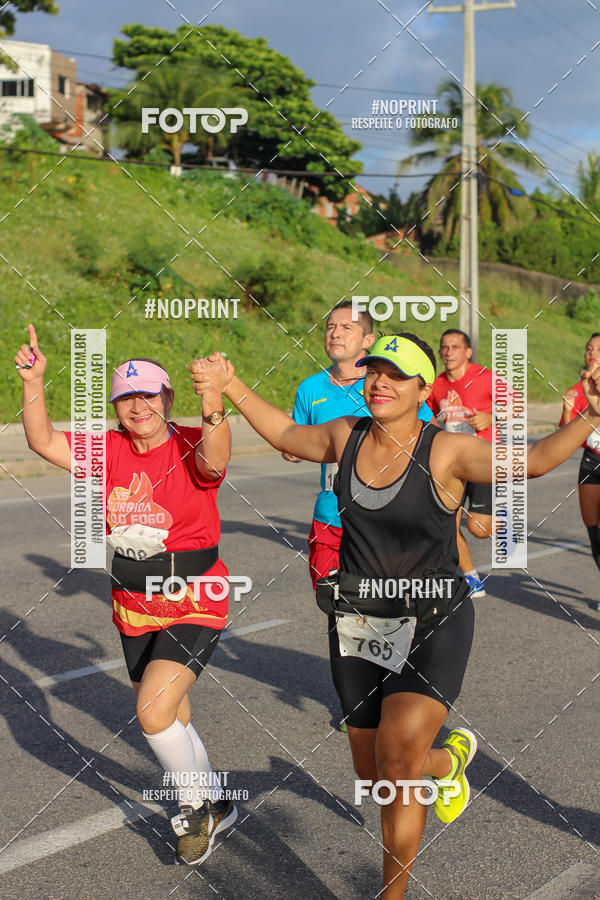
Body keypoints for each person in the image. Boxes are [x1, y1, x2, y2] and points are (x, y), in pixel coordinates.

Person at [190, 333, 600, 898]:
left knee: (396, 760)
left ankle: (393, 892)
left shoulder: (448, 450)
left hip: (434, 618)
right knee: (374, 774)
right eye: (374, 371)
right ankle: (447, 761)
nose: (380, 381)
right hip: (359, 622)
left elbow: (529, 462)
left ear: (422, 389)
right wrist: (229, 383)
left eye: (396, 374)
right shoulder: (346, 435)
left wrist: (591, 416)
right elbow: (285, 433)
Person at [15, 324, 237, 866]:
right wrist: (34, 382)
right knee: (174, 712)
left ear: (168, 399)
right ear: (116, 406)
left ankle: (191, 809)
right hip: (133, 601)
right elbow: (43, 442)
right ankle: (217, 802)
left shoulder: (189, 442)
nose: (138, 406)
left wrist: (214, 404)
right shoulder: (107, 448)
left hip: (195, 594)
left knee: (153, 711)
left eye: (148, 394)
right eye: (126, 397)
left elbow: (217, 456)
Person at [283, 300, 432, 592]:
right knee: (335, 606)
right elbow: (296, 441)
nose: (335, 334)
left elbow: (426, 437)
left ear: (367, 340)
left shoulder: (388, 387)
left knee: (383, 612)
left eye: (346, 328)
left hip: (383, 520)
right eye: (330, 327)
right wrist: (294, 450)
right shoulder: (309, 389)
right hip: (329, 518)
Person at [428, 329, 496, 598]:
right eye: (444, 347)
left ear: (467, 352)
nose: (448, 352)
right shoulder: (436, 384)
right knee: (447, 525)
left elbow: (518, 407)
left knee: (479, 529)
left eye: (455, 347)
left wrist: (491, 418)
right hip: (452, 464)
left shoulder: (485, 377)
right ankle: (471, 578)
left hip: (480, 459)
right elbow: (429, 414)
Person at [560, 332, 600, 611]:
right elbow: (562, 435)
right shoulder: (579, 388)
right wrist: (566, 407)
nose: (592, 353)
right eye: (588, 348)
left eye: (598, 349)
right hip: (591, 460)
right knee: (593, 530)